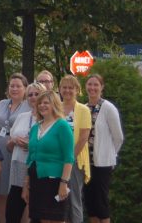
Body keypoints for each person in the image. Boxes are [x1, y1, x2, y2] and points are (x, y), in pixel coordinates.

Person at [22, 90, 74, 223]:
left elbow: (69, 157)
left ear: (54, 105)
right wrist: (26, 185)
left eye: (46, 103)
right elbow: (30, 158)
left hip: (55, 181)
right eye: (40, 103)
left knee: (55, 218)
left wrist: (64, 183)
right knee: (42, 218)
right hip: (37, 181)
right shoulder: (35, 128)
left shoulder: (62, 126)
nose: (42, 106)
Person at [83, 74, 123, 223]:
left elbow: (118, 137)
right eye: (90, 84)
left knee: (101, 202)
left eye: (96, 85)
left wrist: (110, 154)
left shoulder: (107, 108)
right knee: (90, 203)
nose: (92, 88)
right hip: (87, 164)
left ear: (102, 87)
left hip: (102, 164)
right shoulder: (84, 108)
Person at [0, 73, 30, 223]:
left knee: (18, 191)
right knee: (1, 191)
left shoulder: (28, 105)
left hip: (17, 152)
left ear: (25, 88)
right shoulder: (1, 103)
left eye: (18, 86)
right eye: (12, 86)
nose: (14, 89)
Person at [6, 82, 47, 223]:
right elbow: (9, 146)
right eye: (30, 95)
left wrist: (32, 145)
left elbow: (50, 147)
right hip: (18, 165)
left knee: (36, 212)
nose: (33, 97)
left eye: (37, 94)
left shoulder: (48, 119)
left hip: (36, 168)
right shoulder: (22, 117)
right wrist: (14, 141)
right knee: (12, 211)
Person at [60, 74, 91, 223]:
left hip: (74, 160)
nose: (67, 90)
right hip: (55, 160)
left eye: (70, 88)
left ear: (77, 90)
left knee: (74, 199)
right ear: (59, 89)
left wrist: (69, 159)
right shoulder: (55, 108)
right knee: (58, 200)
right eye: (64, 87)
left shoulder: (83, 110)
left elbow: (83, 138)